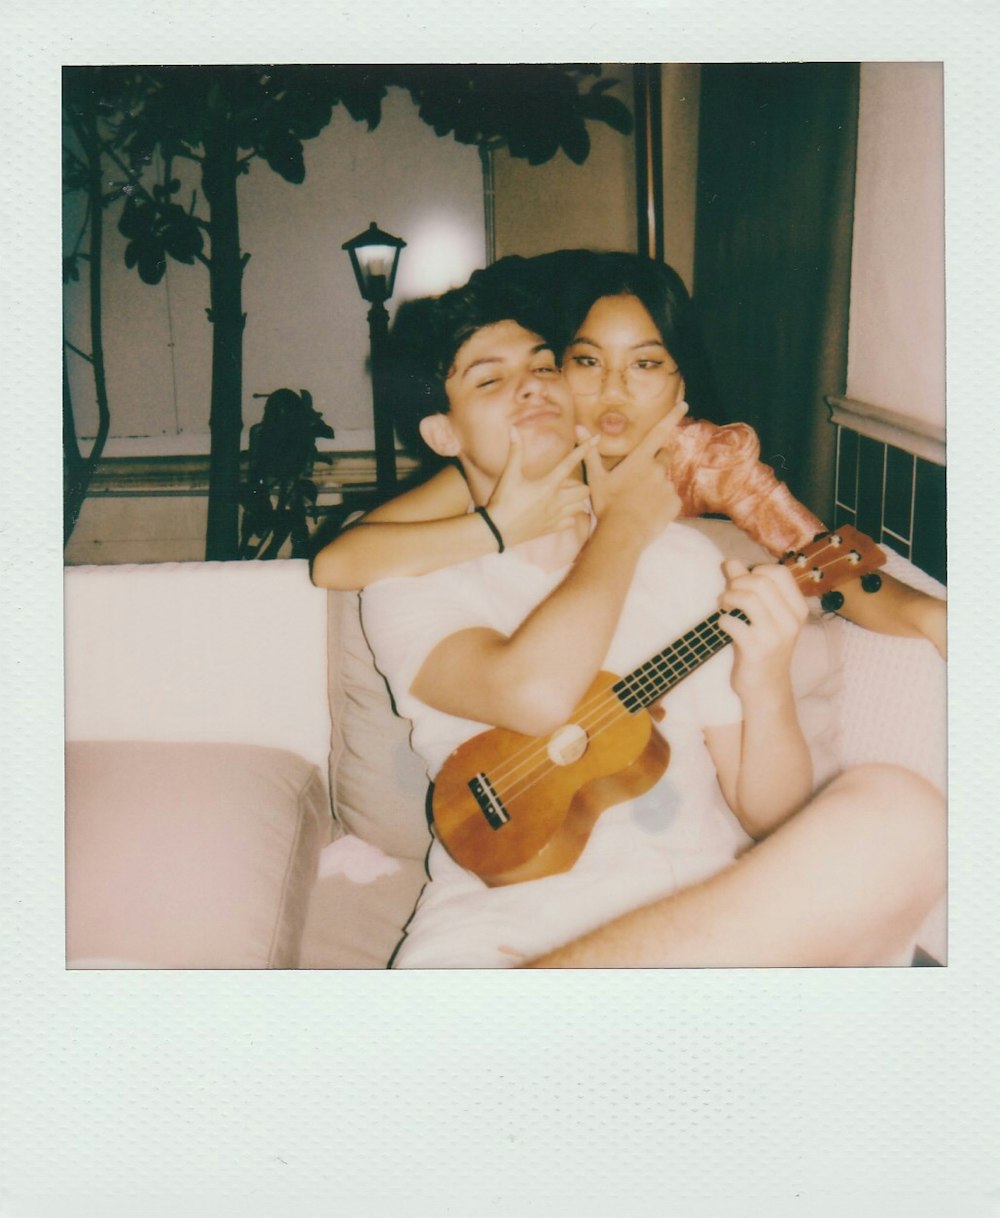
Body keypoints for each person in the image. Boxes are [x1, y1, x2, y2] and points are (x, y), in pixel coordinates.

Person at [357, 274, 944, 968]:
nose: (533, 389)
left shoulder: (687, 561)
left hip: (706, 918)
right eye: (492, 381)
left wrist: (766, 679)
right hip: (505, 932)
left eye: (544, 367)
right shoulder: (409, 575)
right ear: (442, 432)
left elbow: (773, 817)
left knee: (900, 814)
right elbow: (537, 693)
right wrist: (626, 528)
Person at [312, 250, 946, 658]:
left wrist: (935, 618)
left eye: (645, 364)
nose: (613, 390)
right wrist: (498, 530)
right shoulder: (532, 458)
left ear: (681, 379)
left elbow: (827, 563)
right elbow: (339, 561)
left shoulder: (703, 457)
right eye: (586, 361)